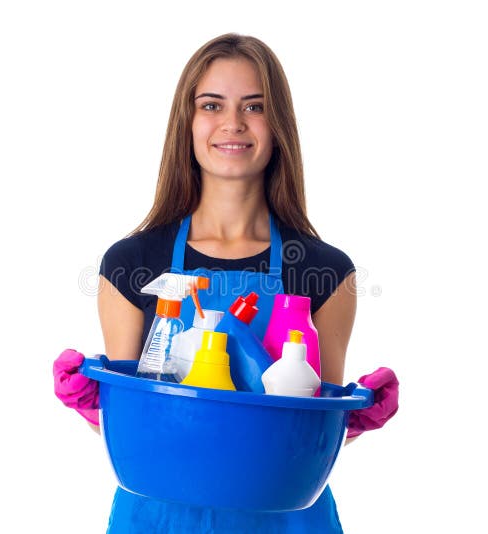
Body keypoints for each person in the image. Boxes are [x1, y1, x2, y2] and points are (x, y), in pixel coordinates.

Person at [53, 33, 399, 533]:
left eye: (254, 106)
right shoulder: (132, 263)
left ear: (277, 125)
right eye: (211, 104)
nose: (232, 123)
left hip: (283, 518)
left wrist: (350, 417)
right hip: (159, 518)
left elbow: (307, 430)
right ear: (187, 123)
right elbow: (137, 423)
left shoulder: (324, 271)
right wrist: (96, 404)